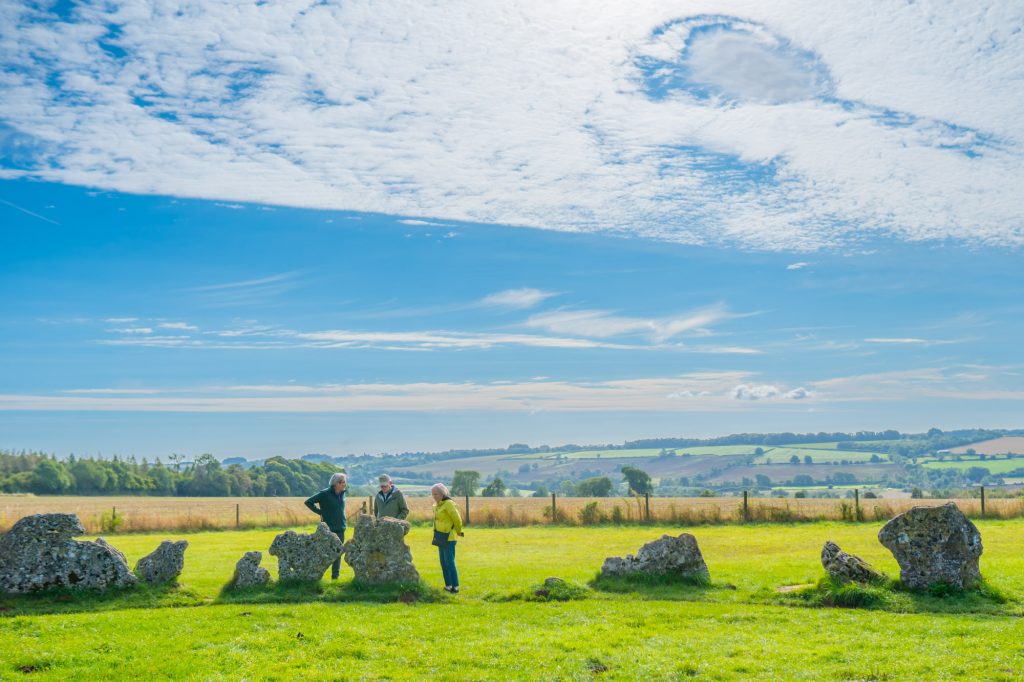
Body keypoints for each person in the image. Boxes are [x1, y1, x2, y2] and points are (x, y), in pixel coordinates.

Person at [304, 472, 348, 580]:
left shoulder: (342, 493)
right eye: (342, 482)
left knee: (338, 552)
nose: (344, 484)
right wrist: (320, 512)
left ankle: (335, 577)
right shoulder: (324, 494)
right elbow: (308, 502)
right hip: (328, 529)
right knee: (323, 552)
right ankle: (315, 576)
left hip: (340, 528)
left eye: (344, 482)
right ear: (336, 483)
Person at [431, 482, 463, 593]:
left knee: (450, 562)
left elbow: (457, 519)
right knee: (443, 562)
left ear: (442, 493)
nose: (434, 497)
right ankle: (448, 586)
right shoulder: (436, 505)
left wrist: (459, 531)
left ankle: (456, 586)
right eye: (432, 494)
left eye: (436, 494)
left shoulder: (449, 504)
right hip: (440, 536)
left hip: (449, 537)